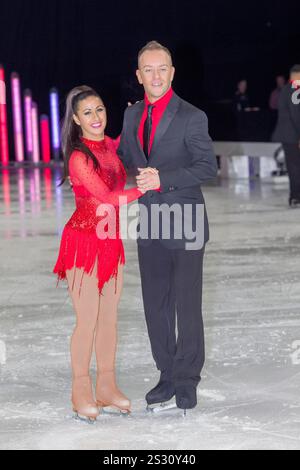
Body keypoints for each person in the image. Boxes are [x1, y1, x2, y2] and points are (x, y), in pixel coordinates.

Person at [117, 41, 218, 412]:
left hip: (186, 219)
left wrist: (164, 179)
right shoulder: (131, 117)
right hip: (149, 221)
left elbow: (208, 166)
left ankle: (187, 378)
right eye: (148, 69)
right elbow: (126, 158)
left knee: (186, 304)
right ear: (139, 75)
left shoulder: (192, 116)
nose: (156, 75)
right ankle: (167, 373)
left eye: (162, 68)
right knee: (155, 304)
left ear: (172, 72)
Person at [53, 86, 154, 421]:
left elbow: (127, 140)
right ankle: (80, 390)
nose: (96, 118)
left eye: (99, 110)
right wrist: (143, 188)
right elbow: (107, 198)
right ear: (76, 119)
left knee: (109, 318)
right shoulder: (78, 156)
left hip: (110, 239)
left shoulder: (108, 145)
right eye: (87, 113)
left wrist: (135, 115)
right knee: (88, 320)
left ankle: (107, 387)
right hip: (83, 242)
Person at [272, 65, 300, 208]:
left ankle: (294, 196)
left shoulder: (284, 89)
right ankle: (296, 196)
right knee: (296, 167)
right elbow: (296, 113)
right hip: (294, 135)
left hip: (285, 135)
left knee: (292, 167)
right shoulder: (296, 88)